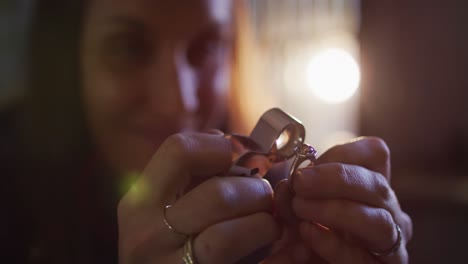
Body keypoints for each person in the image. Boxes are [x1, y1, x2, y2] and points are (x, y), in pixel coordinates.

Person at [1, 0, 413, 263]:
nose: (177, 103)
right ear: (65, 56)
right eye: (128, 48)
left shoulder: (274, 196)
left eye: (206, 48)